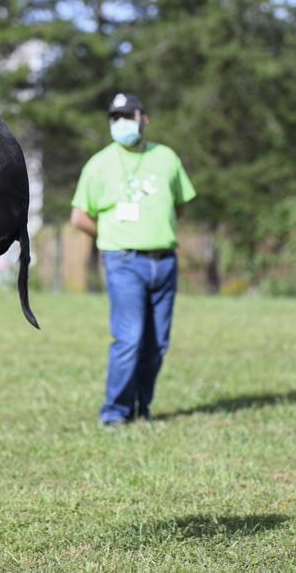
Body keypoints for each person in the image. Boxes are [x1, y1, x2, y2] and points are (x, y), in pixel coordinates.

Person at [70, 92, 197, 426]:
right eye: (115, 117)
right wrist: (111, 237)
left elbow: (180, 204)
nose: (121, 122)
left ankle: (142, 406)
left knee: (157, 343)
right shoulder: (99, 164)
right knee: (129, 338)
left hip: (165, 261)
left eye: (128, 115)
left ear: (145, 118)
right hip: (123, 262)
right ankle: (115, 412)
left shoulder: (166, 158)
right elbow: (79, 217)